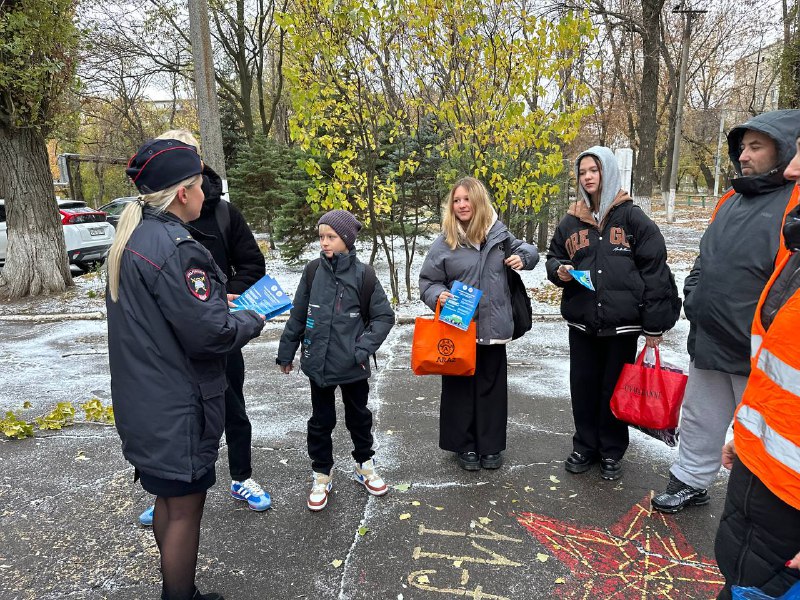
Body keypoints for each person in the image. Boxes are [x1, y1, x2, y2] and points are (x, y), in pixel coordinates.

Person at [107, 138, 264, 600]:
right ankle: (181, 596)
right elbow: (210, 335)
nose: (206, 195)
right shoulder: (177, 248)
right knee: (184, 509)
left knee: (167, 499)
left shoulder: (137, 238)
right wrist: (252, 317)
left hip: (147, 399)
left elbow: (174, 317)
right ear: (183, 193)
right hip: (178, 404)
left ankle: (180, 591)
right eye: (200, 187)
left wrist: (216, 304)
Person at [652, 109, 800, 513]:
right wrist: (695, 296)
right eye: (743, 148)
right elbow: (706, 257)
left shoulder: (795, 201)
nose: (744, 157)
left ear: (785, 149)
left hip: (758, 349)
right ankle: (690, 480)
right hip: (711, 335)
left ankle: (757, 504)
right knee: (699, 416)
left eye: (756, 147)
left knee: (758, 429)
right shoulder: (731, 199)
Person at [137, 130, 271, 527]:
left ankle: (242, 478)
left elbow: (252, 266)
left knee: (233, 409)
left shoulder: (224, 212)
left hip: (218, 331)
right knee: (177, 418)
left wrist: (223, 296)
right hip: (174, 344)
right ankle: (172, 495)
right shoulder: (152, 221)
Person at [545, 146, 680, 481]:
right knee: (583, 386)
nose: (588, 177)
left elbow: (655, 271)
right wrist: (558, 270)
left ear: (608, 172)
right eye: (582, 172)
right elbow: (553, 256)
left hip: (623, 325)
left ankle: (611, 450)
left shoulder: (632, 218)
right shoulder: (571, 221)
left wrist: (655, 324)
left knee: (615, 388)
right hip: (582, 322)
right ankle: (585, 446)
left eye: (594, 170)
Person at [713, 137, 800, 599]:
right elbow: (777, 363)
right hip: (757, 471)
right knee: (740, 578)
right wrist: (745, 432)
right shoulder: (796, 252)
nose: (791, 169)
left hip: (791, 513)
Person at [276, 210, 395, 511]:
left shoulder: (363, 275)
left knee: (359, 417)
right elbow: (299, 313)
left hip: (353, 367)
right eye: (321, 237)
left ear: (347, 239)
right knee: (321, 420)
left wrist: (361, 349)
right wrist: (286, 351)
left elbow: (384, 316)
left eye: (331, 237)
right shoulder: (313, 271)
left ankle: (364, 465)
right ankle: (321, 473)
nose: (325, 243)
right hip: (319, 365)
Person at [419, 177, 539, 471]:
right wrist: (439, 295)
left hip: (494, 328)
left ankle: (490, 446)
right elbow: (427, 282)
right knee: (459, 390)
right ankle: (465, 446)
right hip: (459, 328)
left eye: (466, 199)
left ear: (478, 201)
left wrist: (522, 258)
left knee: (491, 390)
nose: (461, 205)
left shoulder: (500, 236)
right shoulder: (445, 241)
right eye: (456, 200)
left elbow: (532, 253)